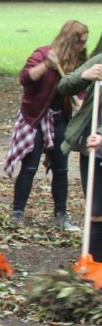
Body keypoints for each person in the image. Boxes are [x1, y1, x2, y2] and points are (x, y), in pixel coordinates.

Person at [5, 20, 87, 231]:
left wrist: (80, 99)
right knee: (29, 167)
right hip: (35, 118)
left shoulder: (77, 60)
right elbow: (25, 78)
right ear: (70, 41)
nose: (84, 47)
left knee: (61, 169)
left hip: (60, 119)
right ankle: (17, 214)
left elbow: (80, 84)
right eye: (81, 42)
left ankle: (61, 215)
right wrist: (46, 66)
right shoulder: (43, 54)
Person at [56, 51, 102, 266]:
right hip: (92, 149)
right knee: (95, 210)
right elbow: (64, 86)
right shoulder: (100, 61)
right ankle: (93, 266)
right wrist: (85, 75)